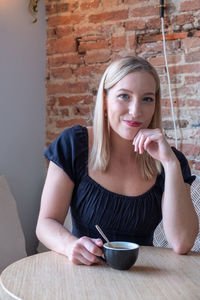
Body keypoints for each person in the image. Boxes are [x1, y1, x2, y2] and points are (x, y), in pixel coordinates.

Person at [36, 56, 199, 265]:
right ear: (105, 100)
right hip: (84, 273)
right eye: (124, 96)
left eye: (147, 99)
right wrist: (70, 246)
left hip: (142, 280)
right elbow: (45, 223)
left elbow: (182, 243)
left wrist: (171, 163)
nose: (135, 111)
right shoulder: (74, 144)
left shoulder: (171, 161)